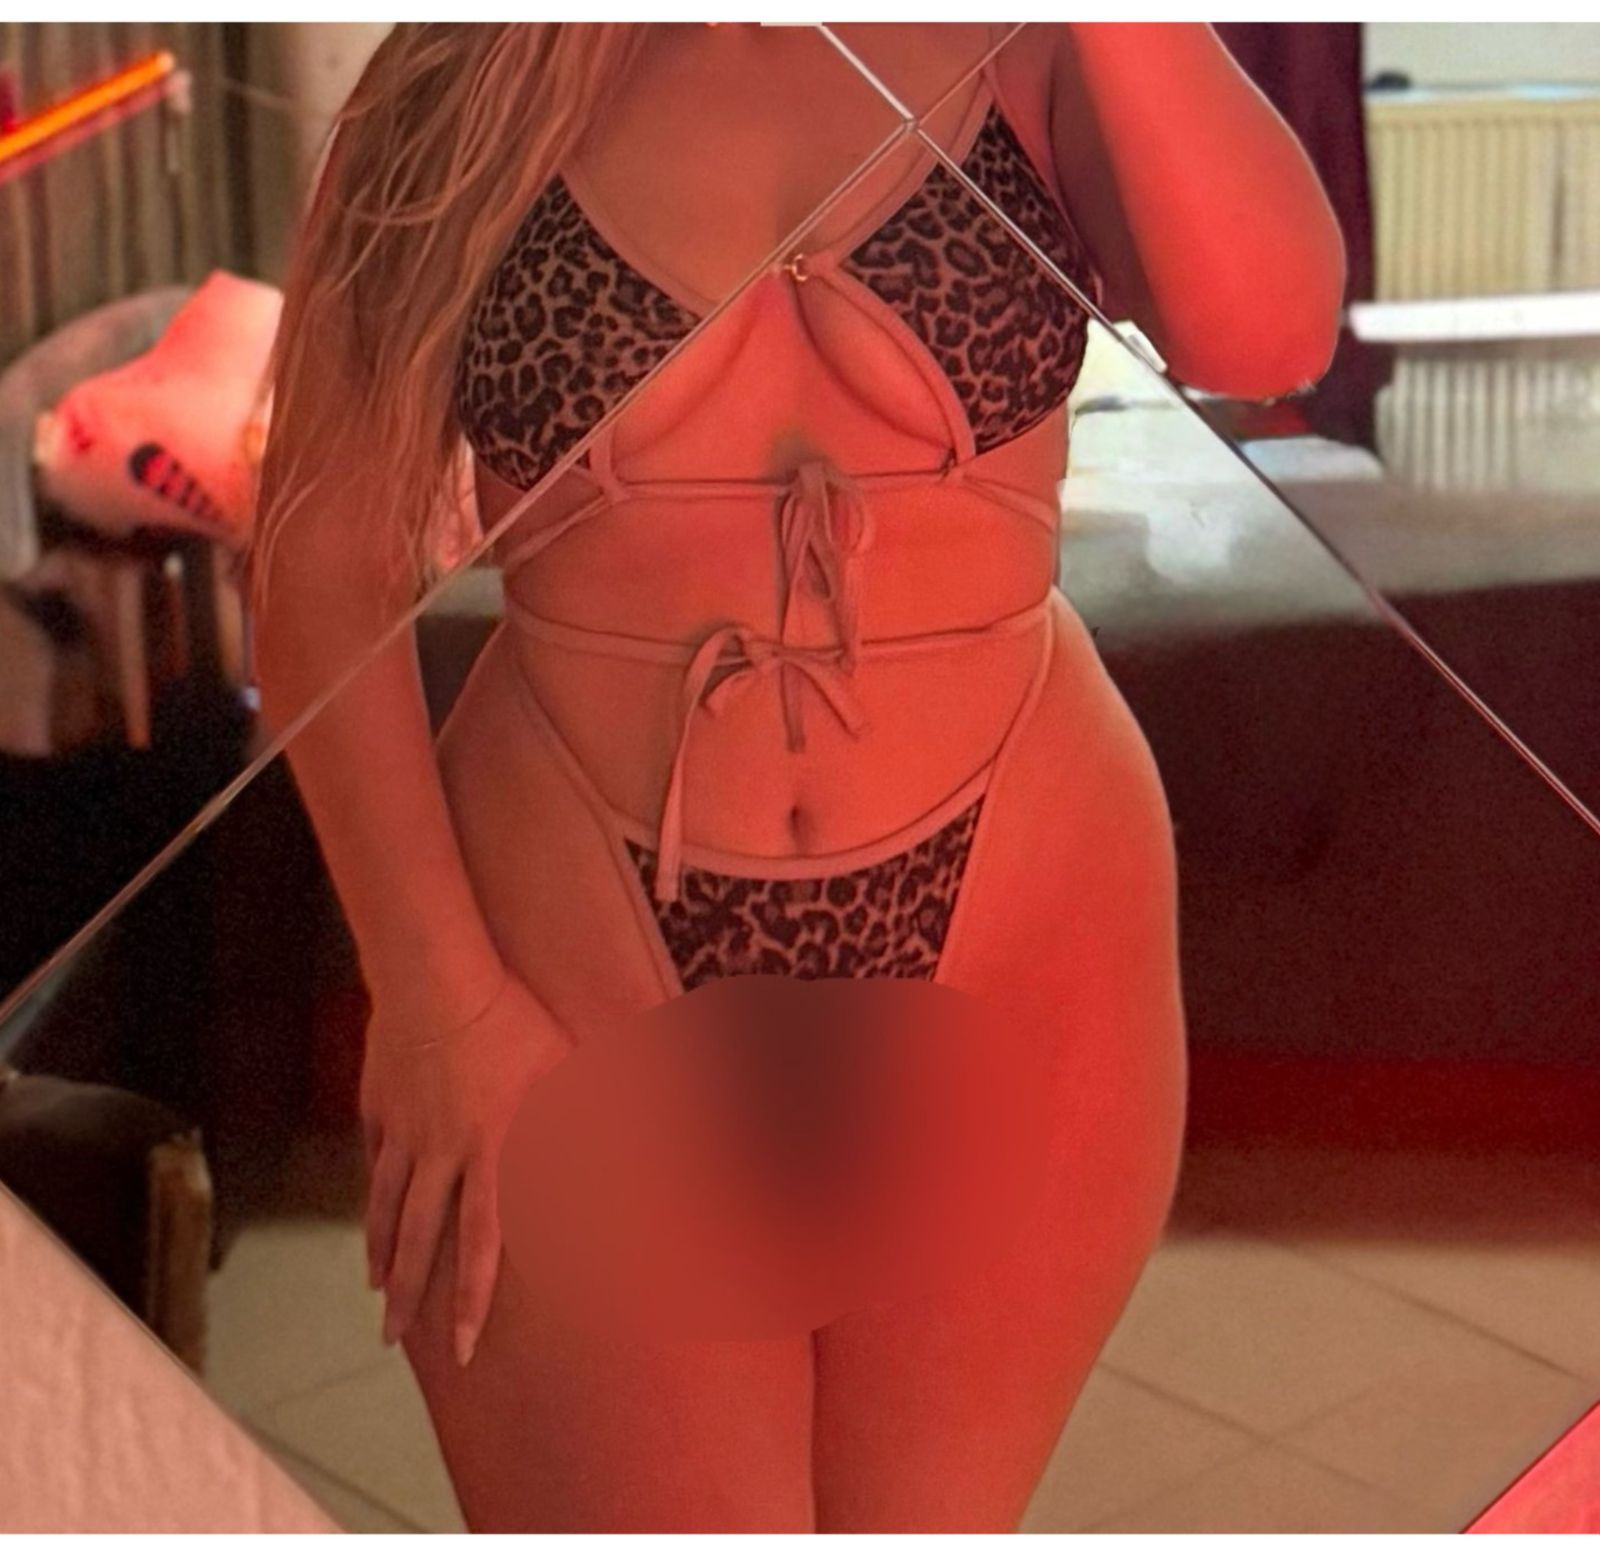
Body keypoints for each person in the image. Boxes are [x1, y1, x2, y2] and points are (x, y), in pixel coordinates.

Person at [249, 21, 1345, 1532]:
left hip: (1024, 905)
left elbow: (1272, 337)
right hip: (572, 939)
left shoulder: (1033, 50)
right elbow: (317, 558)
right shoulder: (464, 79)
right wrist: (438, 998)